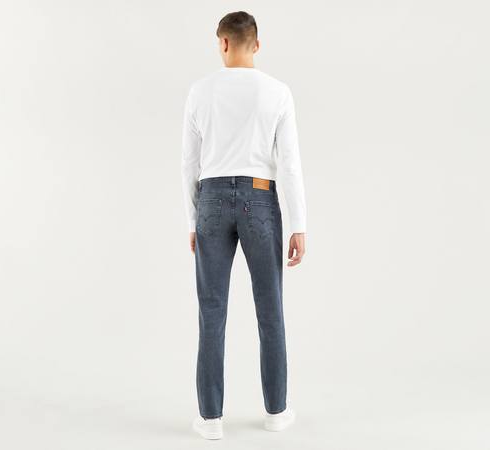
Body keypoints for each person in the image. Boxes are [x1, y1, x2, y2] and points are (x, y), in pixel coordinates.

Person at [181, 10, 307, 440]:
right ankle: (276, 411)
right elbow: (290, 164)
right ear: (257, 44)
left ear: (222, 43)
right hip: (261, 198)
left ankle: (210, 419)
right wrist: (299, 224)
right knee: (270, 311)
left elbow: (189, 164)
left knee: (211, 312)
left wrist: (193, 219)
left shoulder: (200, 91)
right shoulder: (277, 92)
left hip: (212, 199)